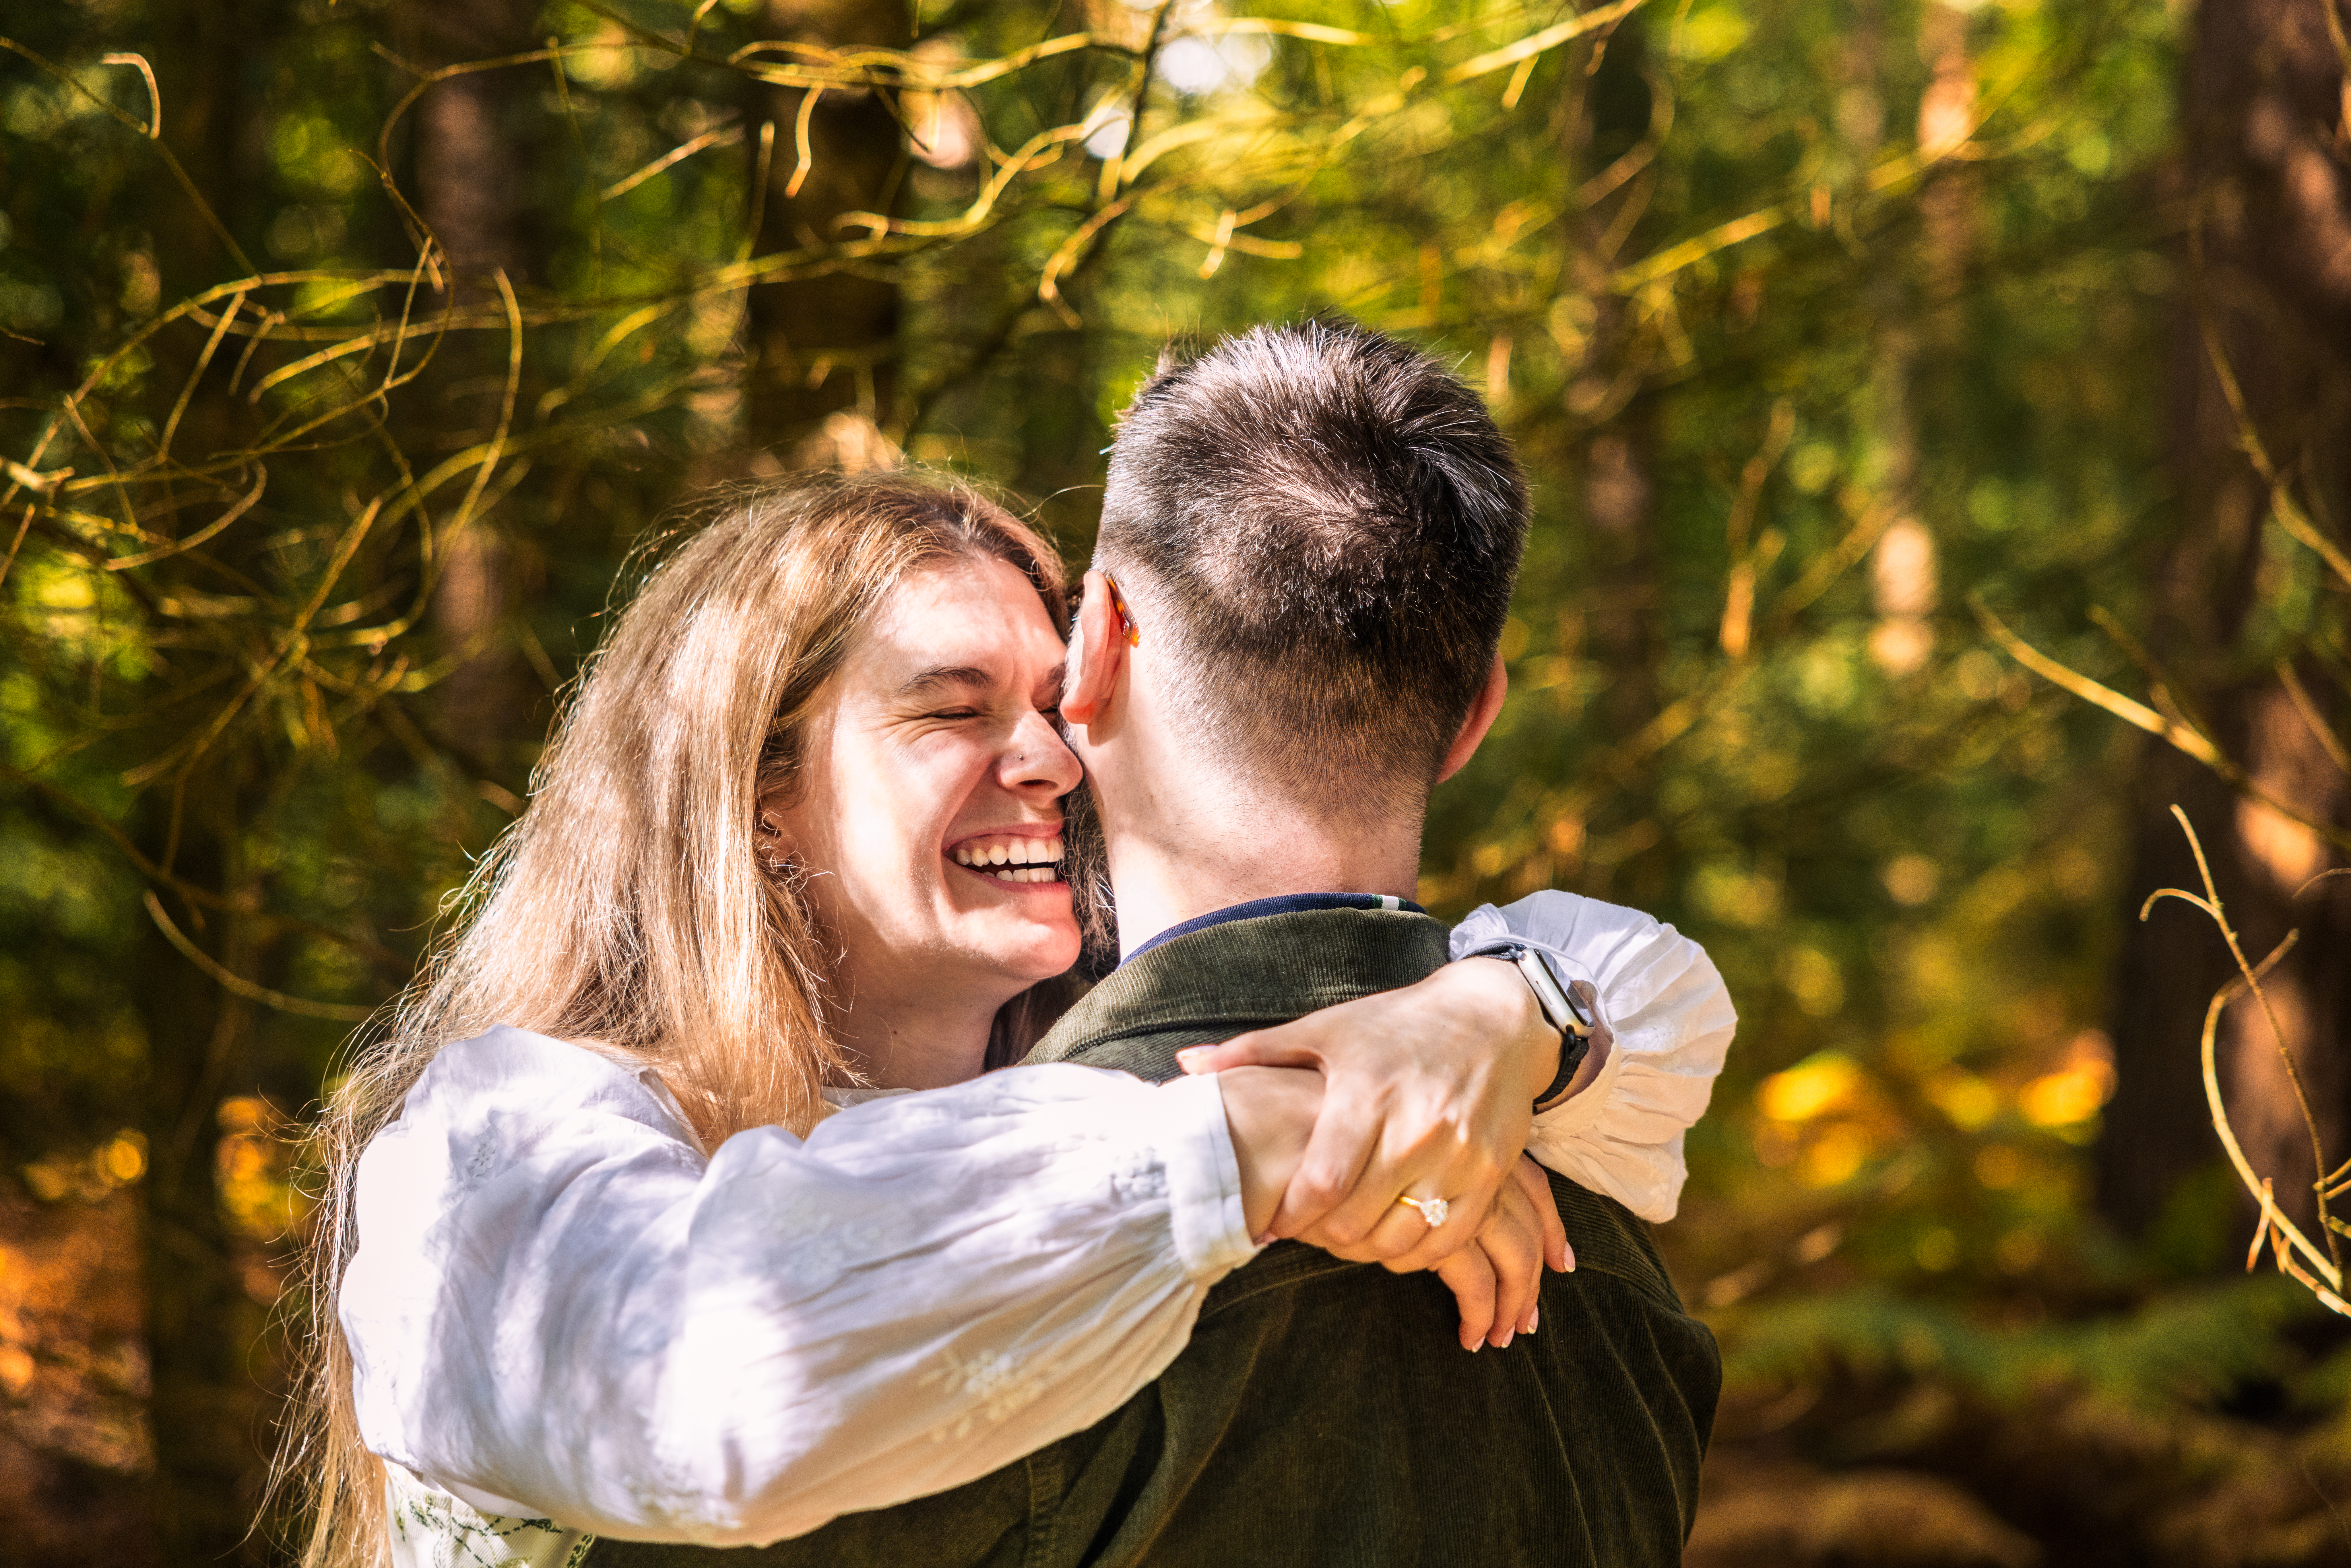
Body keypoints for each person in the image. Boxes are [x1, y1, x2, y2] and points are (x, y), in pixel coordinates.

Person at [290, 470, 1717, 1568]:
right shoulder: (510, 1139)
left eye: (1055, 701)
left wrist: (1499, 1013)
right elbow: (690, 1373)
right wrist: (1264, 1138)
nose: (1044, 757)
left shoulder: (1115, 1070)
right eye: (950, 711)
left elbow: (1649, 989)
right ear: (759, 794)